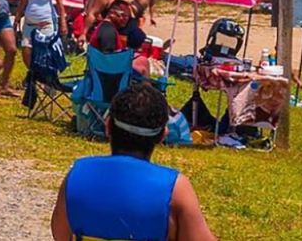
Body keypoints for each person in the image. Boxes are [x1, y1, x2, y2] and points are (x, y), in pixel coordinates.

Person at [51, 83, 216, 241]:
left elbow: (60, 234)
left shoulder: (77, 175)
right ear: (162, 136)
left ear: (108, 126)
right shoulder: (175, 189)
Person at [17, 0, 65, 75]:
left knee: (45, 51)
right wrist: (18, 16)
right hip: (29, 22)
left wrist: (63, 22)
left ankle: (47, 77)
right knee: (26, 50)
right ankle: (33, 74)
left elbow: (60, 3)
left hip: (46, 22)